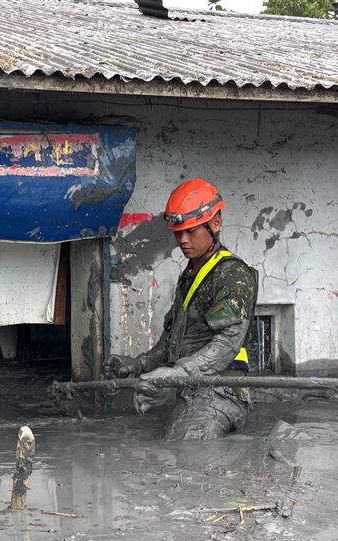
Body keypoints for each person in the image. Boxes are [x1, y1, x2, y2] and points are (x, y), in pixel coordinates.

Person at [104, 179, 258, 440]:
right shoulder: (190, 276)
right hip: (190, 388)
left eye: (191, 231)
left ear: (215, 224)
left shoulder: (233, 275)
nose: (182, 240)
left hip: (223, 390)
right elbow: (171, 342)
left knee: (185, 446)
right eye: (178, 233)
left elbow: (227, 344)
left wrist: (178, 374)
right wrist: (138, 365)